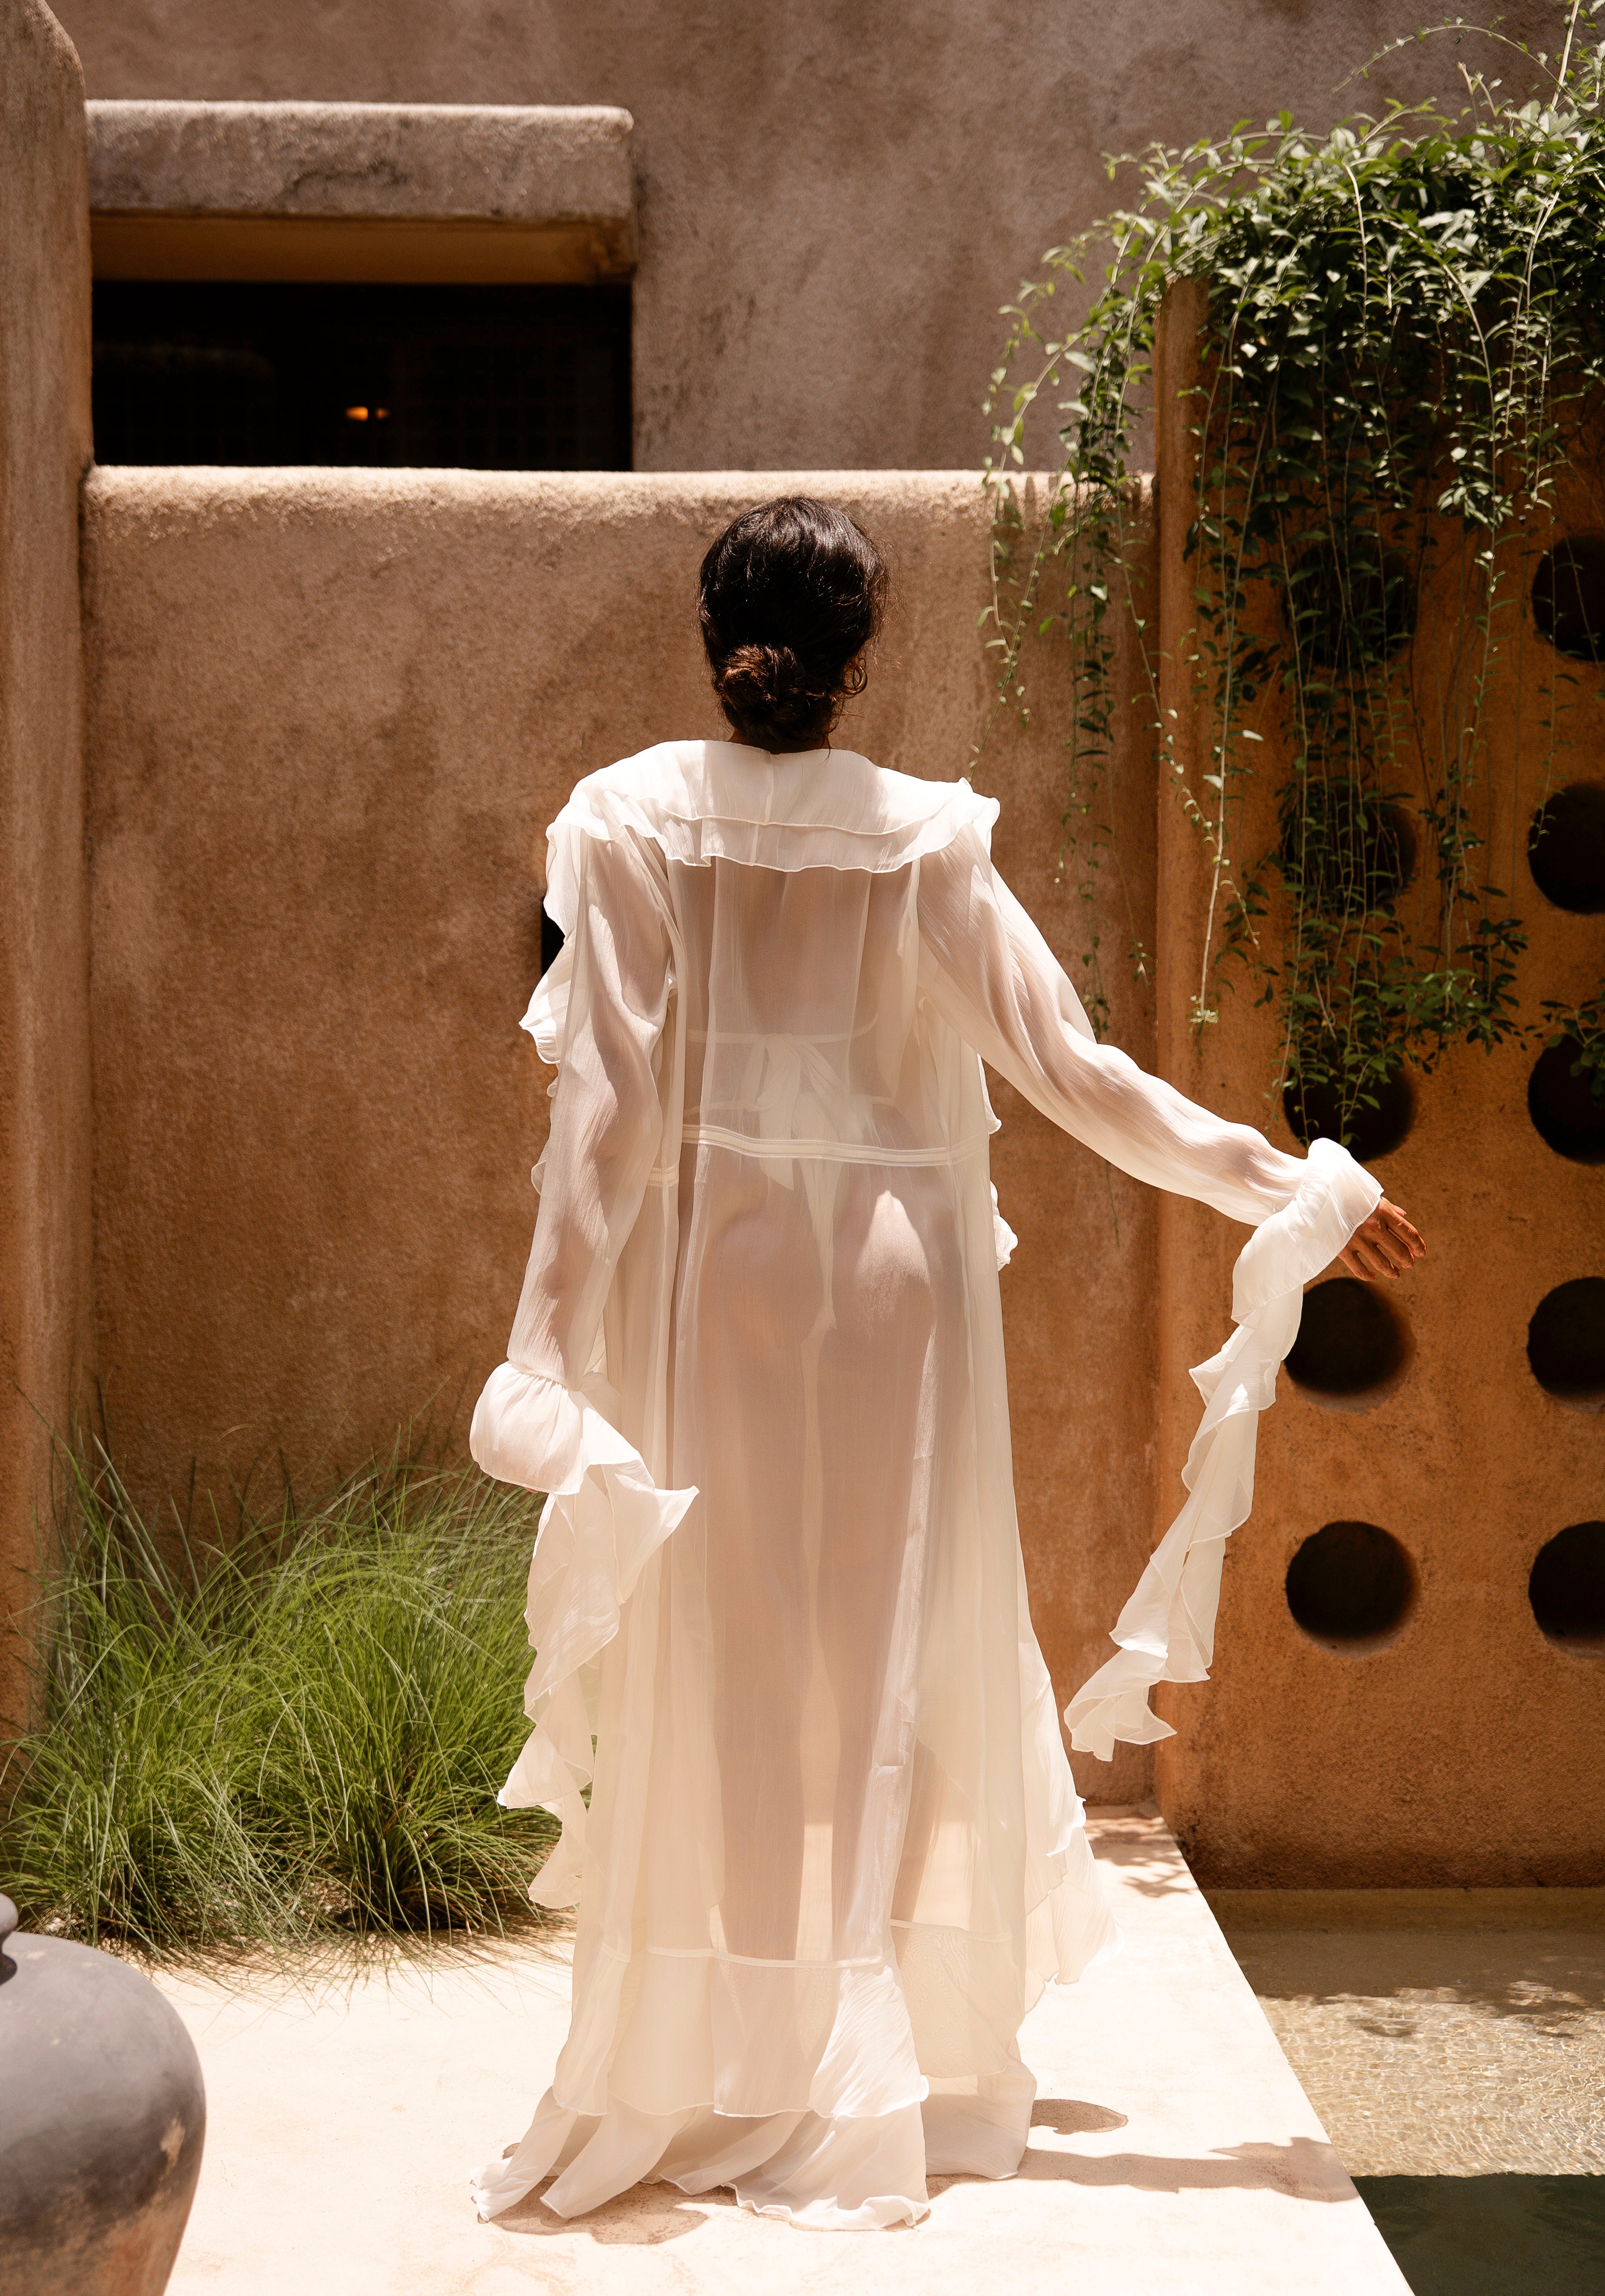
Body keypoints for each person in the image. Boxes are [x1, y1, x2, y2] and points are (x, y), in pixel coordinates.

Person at [468, 496, 1424, 2230]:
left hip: (715, 1273)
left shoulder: (619, 814)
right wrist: (1288, 1178)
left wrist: (538, 1343)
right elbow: (1077, 1073)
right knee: (881, 1646)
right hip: (891, 1273)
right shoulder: (922, 834)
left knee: (728, 1646)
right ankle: (866, 2042)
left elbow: (602, 1110)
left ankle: (746, 2038)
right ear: (859, 660)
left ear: (715, 636)